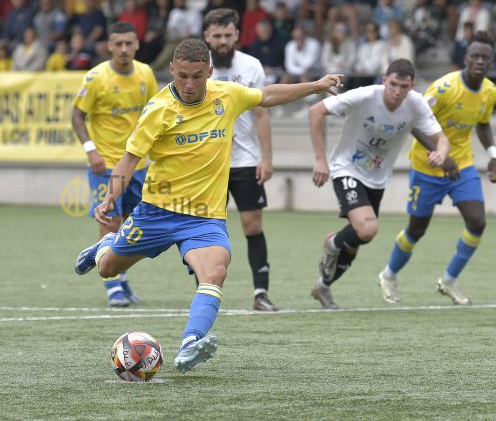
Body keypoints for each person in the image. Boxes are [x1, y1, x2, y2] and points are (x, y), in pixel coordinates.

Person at [73, 38, 343, 372]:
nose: (188, 84)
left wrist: (316, 85)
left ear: (209, 72)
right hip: (157, 211)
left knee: (215, 272)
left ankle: (190, 343)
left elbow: (268, 95)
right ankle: (105, 245)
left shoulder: (226, 95)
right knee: (108, 269)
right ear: (172, 69)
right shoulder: (157, 110)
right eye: (182, 75)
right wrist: (110, 198)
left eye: (196, 76)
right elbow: (129, 160)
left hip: (205, 216)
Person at [308, 58, 449, 309]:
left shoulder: (416, 104)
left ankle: (323, 286)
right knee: (367, 229)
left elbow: (442, 138)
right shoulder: (364, 96)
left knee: (356, 242)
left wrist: (441, 153)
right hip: (347, 168)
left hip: (377, 178)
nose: (397, 91)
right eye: (393, 84)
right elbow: (315, 111)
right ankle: (331, 244)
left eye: (403, 86)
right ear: (384, 80)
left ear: (411, 86)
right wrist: (320, 159)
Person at [377, 31, 496, 306]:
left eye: (486, 57)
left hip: (462, 165)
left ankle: (449, 281)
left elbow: (483, 123)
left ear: (491, 61)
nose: (480, 61)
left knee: (477, 222)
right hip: (427, 166)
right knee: (417, 230)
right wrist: (439, 154)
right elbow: (415, 121)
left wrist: (493, 155)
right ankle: (388, 274)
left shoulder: (490, 91)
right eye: (475, 56)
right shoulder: (443, 88)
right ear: (466, 58)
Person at [71, 22, 159, 307]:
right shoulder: (96, 77)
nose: (123, 49)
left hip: (139, 164)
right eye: (117, 44)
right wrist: (90, 150)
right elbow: (76, 115)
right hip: (106, 164)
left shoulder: (145, 73)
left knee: (136, 226)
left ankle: (119, 276)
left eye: (128, 43)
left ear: (136, 44)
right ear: (109, 46)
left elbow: (155, 113)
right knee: (110, 222)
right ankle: (113, 286)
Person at [204, 8, 278, 312]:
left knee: (252, 225)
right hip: (208, 163)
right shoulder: (197, 65)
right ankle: (206, 293)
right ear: (207, 36)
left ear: (236, 35)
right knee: (206, 229)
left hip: (245, 160)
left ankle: (260, 293)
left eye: (227, 35)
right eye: (216, 36)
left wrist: (267, 157)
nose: (222, 41)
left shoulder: (251, 66)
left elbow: (261, 112)